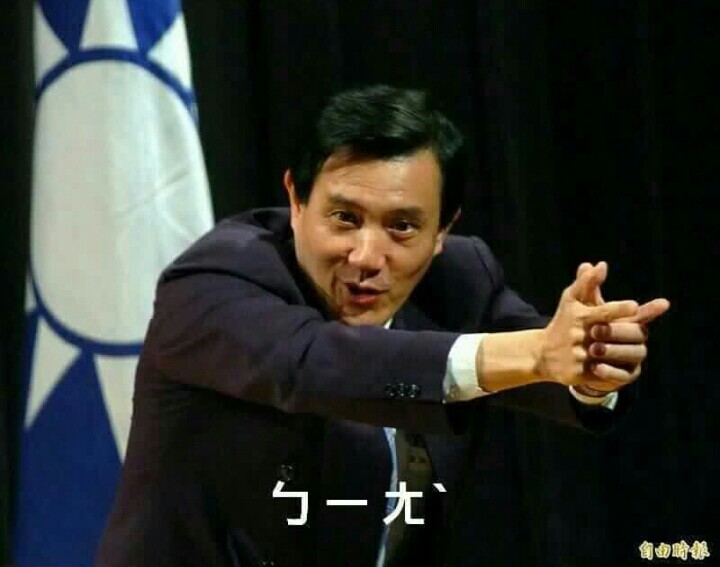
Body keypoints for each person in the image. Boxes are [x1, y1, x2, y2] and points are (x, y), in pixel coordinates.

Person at [96, 85, 669, 567]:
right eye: (344, 218)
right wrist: (539, 354)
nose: (367, 257)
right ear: (296, 199)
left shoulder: (460, 279)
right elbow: (316, 364)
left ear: (443, 231)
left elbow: (549, 364)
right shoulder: (213, 282)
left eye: (402, 227)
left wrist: (592, 363)